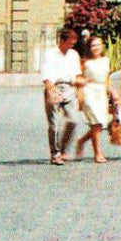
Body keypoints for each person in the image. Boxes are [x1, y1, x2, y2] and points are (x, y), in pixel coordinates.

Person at [41, 27, 82, 166]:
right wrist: (51, 92)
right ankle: (55, 153)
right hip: (54, 87)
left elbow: (76, 75)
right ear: (62, 40)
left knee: (74, 120)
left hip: (69, 88)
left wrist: (79, 89)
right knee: (54, 124)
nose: (72, 46)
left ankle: (63, 148)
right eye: (70, 43)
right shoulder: (50, 54)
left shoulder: (74, 55)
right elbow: (46, 75)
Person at [73, 35, 112, 163]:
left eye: (98, 45)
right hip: (89, 91)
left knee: (100, 124)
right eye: (93, 45)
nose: (96, 48)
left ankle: (81, 141)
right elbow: (77, 78)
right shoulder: (85, 62)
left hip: (101, 92)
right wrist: (79, 94)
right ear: (89, 48)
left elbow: (107, 79)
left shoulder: (106, 60)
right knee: (96, 122)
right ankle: (98, 153)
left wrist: (113, 92)